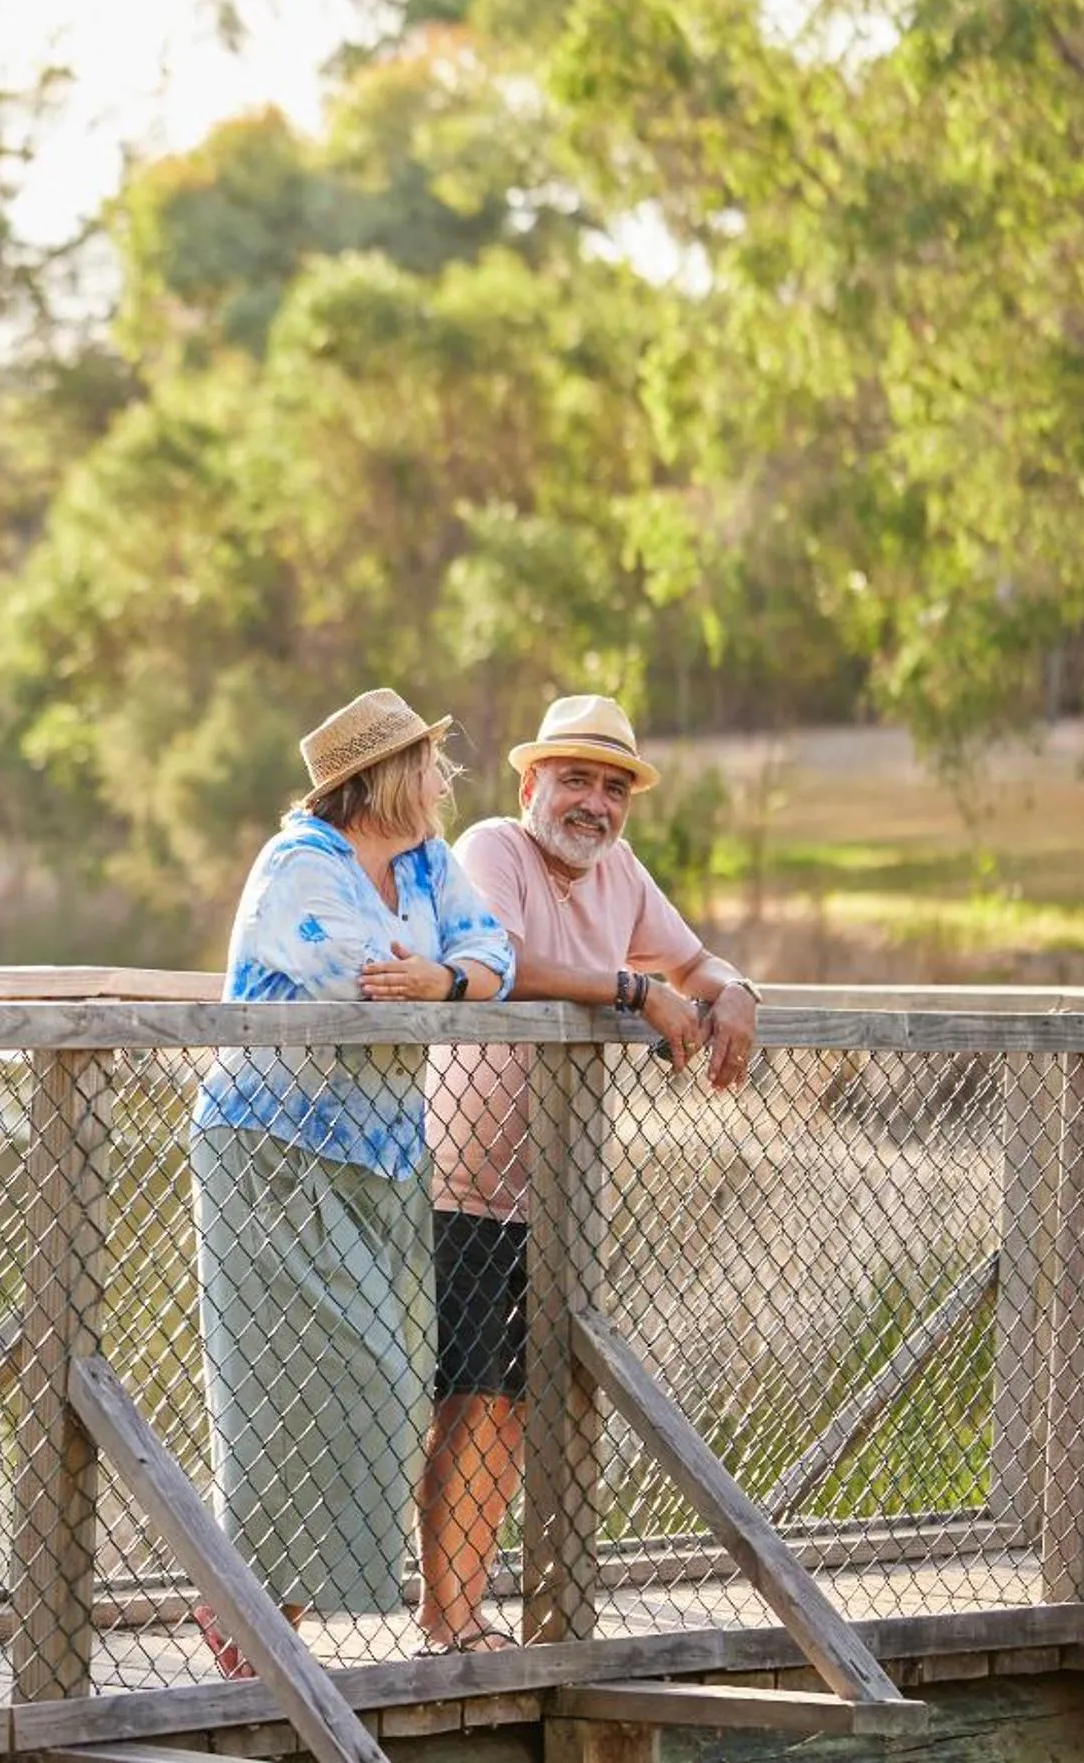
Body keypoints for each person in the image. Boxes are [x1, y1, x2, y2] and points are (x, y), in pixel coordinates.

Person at [416, 693, 762, 1655]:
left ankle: (455, 1617)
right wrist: (632, 989)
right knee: (443, 1395)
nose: (595, 804)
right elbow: (498, 961)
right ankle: (399, 1622)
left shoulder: (620, 874)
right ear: (532, 784)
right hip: (449, 1177)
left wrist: (735, 990)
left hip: (549, 1195)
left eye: (614, 788)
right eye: (576, 780)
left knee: (510, 1405)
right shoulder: (494, 847)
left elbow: (697, 961)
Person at [191, 688, 515, 1677]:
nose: (441, 781)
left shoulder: (426, 862)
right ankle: (243, 1605)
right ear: (375, 779)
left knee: (387, 1378)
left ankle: (257, 1610)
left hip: (382, 1156)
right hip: (270, 1149)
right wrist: (434, 972)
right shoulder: (298, 863)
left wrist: (450, 980)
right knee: (308, 1375)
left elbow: (492, 951)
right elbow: (356, 979)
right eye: (425, 764)